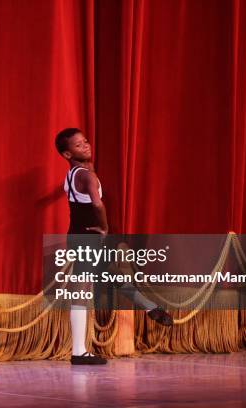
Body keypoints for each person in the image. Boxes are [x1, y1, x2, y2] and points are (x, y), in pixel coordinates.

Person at [55, 128, 173, 365]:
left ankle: (149, 307)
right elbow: (97, 205)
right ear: (67, 154)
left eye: (85, 141)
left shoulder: (71, 176)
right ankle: (78, 352)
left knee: (111, 276)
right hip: (89, 237)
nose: (86, 146)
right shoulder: (87, 176)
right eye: (78, 145)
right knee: (82, 287)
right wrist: (105, 228)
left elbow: (70, 195)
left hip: (77, 235)